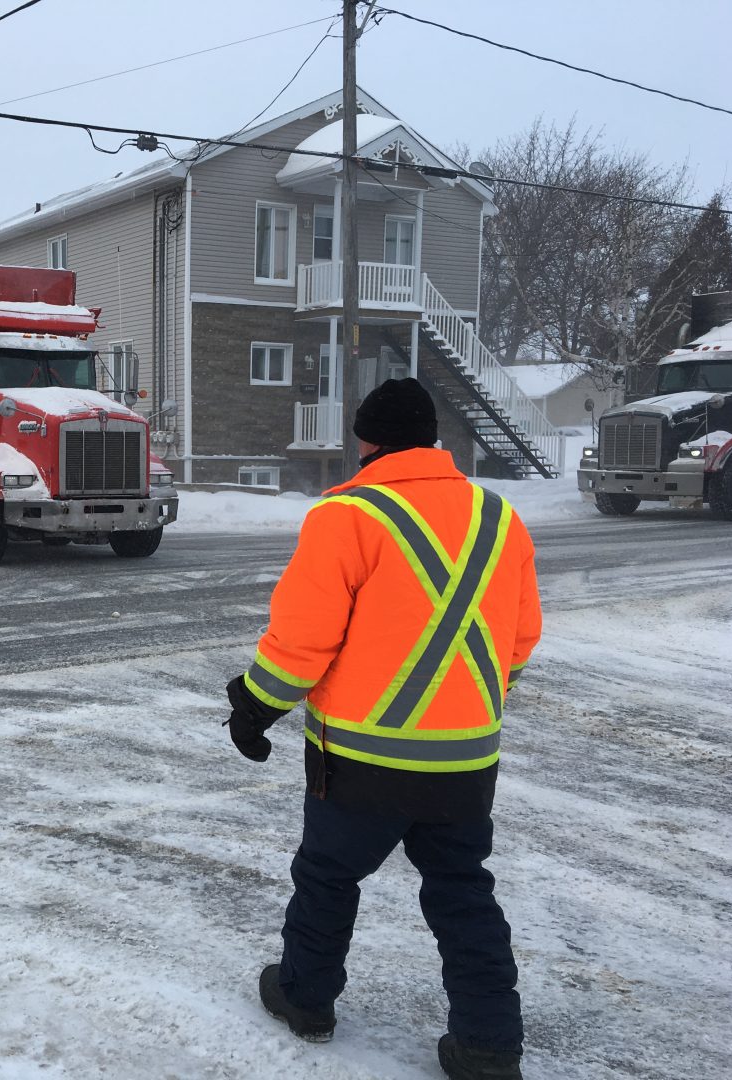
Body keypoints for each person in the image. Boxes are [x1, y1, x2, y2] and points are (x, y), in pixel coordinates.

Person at [224, 378, 541, 1080]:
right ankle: (488, 1047)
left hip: (362, 761)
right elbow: (519, 641)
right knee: (463, 890)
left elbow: (304, 642)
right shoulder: (499, 518)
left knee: (329, 876)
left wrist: (254, 707)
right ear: (434, 439)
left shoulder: (347, 517)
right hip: (465, 762)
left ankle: (306, 998)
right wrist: (474, 705)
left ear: (366, 442)